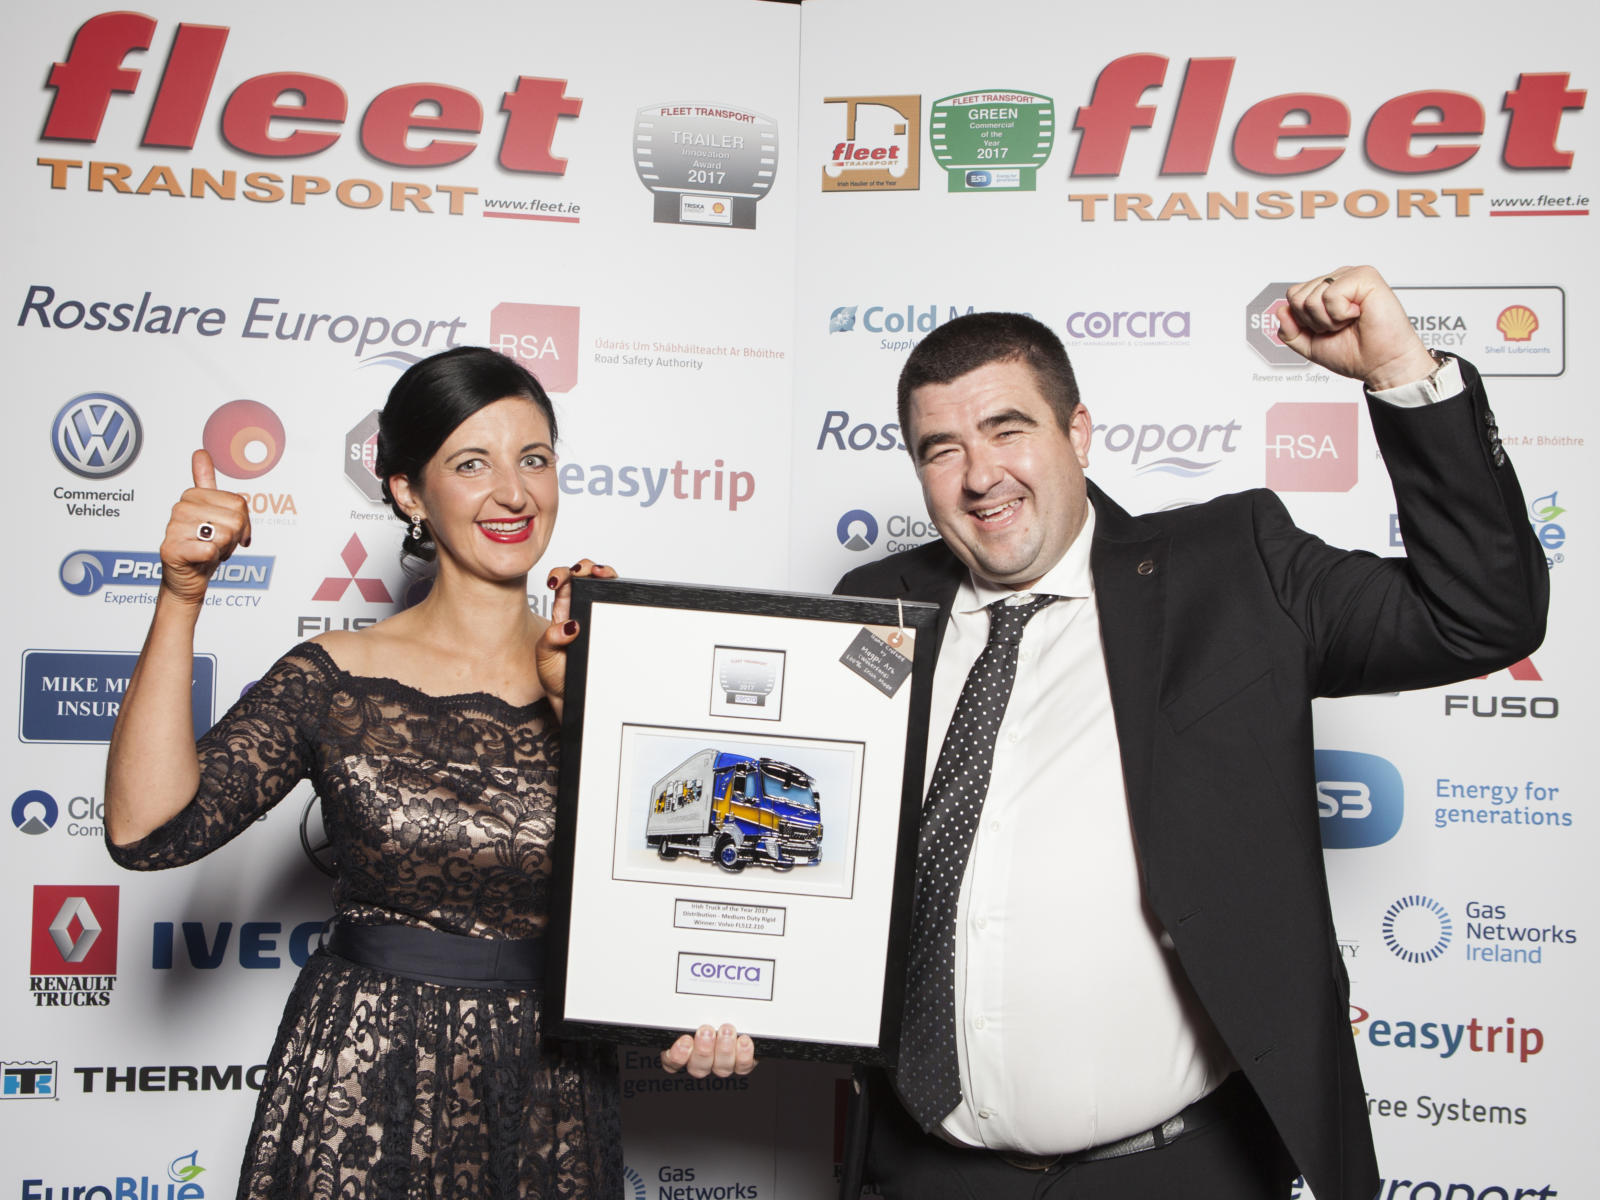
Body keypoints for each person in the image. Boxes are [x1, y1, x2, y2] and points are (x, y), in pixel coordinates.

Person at [831, 267, 1549, 1200]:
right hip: (925, 1169)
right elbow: (818, 845)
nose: (980, 476)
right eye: (941, 450)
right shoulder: (874, 611)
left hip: (1173, 1172)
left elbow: (1481, 616)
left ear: (1076, 433)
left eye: (1008, 430)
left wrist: (1401, 372)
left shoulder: (1231, 569)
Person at [105, 346, 622, 1198]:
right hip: (367, 1073)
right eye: (471, 464)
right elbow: (147, 831)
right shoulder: (336, 675)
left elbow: (663, 878)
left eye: (533, 459)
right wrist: (182, 593)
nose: (513, 493)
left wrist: (594, 697)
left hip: (548, 1085)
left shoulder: (610, 669)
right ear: (408, 492)